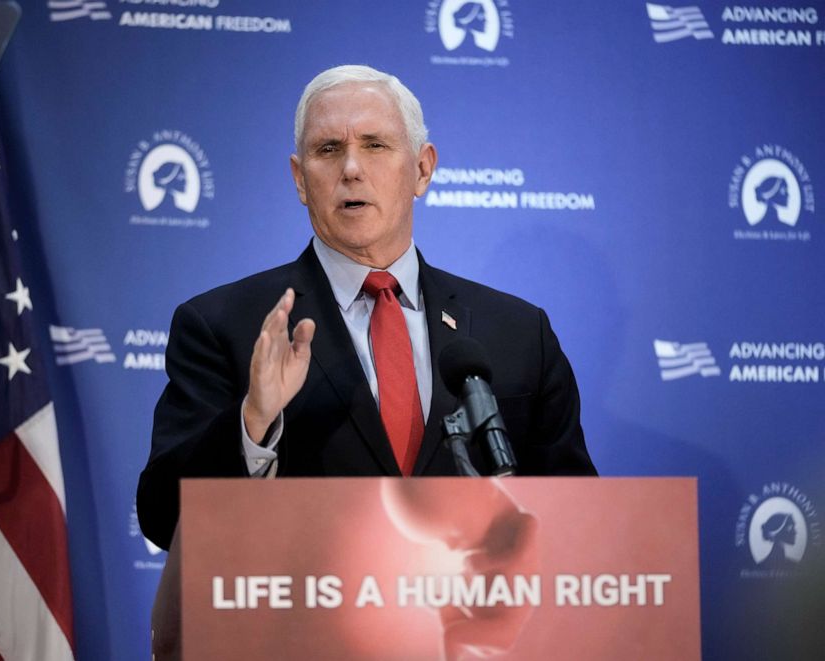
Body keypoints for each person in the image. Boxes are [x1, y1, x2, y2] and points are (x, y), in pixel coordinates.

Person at [137, 65, 596, 551]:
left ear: (422, 169)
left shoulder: (518, 333)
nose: (351, 168)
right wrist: (253, 422)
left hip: (465, 618)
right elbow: (163, 516)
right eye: (328, 149)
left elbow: (575, 523)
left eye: (375, 145)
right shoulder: (225, 326)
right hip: (304, 622)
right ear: (299, 179)